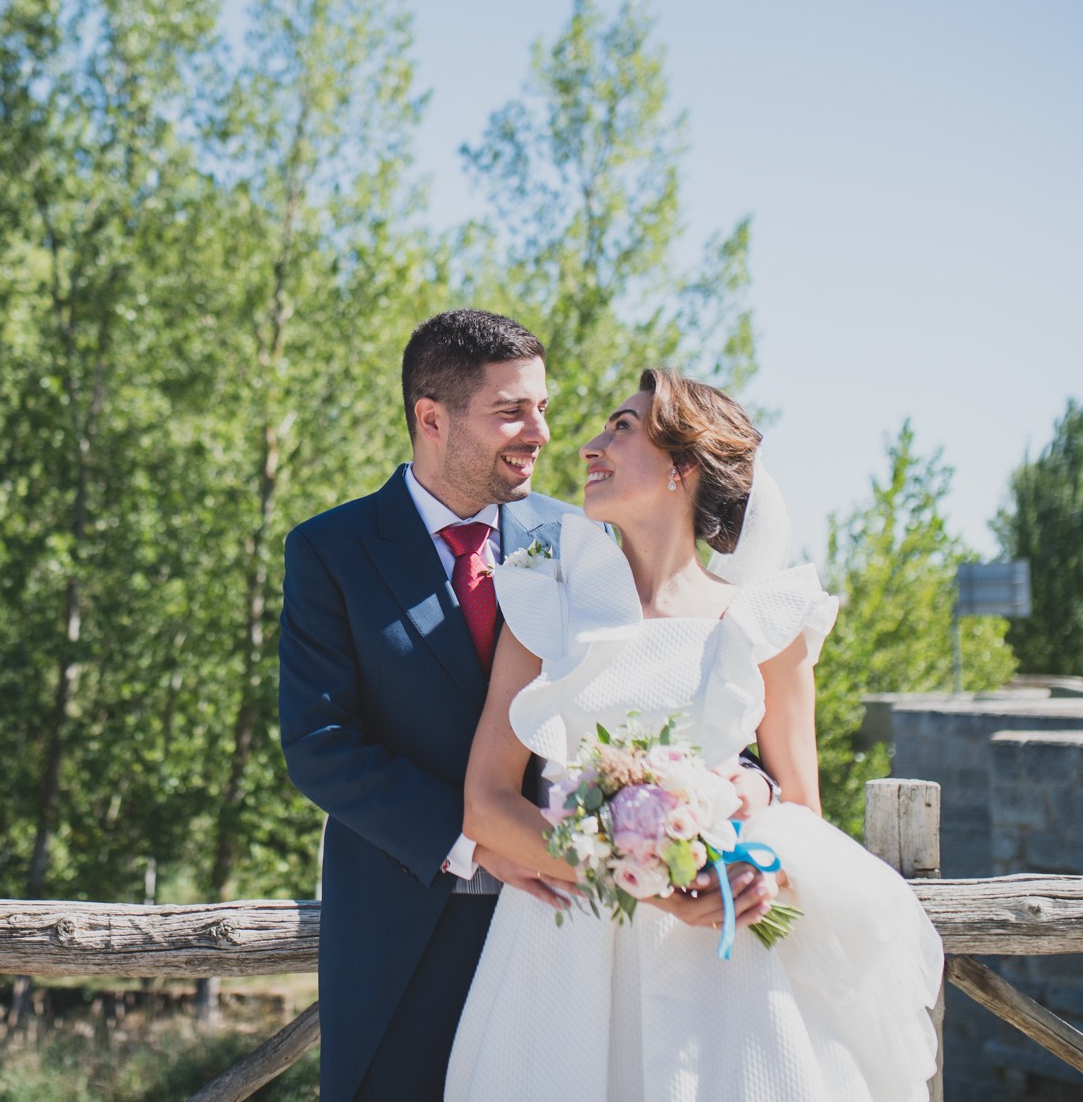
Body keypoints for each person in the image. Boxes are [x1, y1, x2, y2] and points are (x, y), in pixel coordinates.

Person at [446, 367, 944, 1101]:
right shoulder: (543, 604)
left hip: (726, 961)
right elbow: (485, 805)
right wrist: (642, 882)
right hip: (563, 954)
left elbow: (801, 808)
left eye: (621, 426)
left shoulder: (764, 623)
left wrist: (763, 862)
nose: (588, 446)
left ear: (683, 465)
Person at [277, 310, 580, 1102]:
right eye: (511, 410)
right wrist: (478, 842)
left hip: (559, 933)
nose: (539, 431)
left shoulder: (580, 539)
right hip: (399, 940)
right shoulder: (331, 550)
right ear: (431, 417)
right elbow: (320, 742)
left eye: (542, 406)